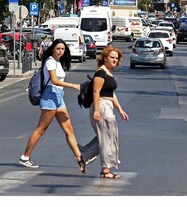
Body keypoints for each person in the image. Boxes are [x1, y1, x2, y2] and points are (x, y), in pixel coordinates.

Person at [19, 38, 86, 173]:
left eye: (63, 49)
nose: (61, 51)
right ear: (53, 49)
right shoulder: (50, 61)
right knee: (41, 129)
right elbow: (54, 81)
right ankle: (25, 157)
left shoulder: (57, 62)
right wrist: (74, 85)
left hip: (58, 97)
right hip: (50, 96)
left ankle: (80, 158)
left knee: (69, 129)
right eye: (58, 49)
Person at [78, 46, 129, 179]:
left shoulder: (108, 73)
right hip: (101, 106)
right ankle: (105, 170)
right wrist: (96, 110)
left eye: (116, 58)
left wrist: (120, 109)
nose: (114, 60)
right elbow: (96, 92)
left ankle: (83, 155)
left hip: (107, 105)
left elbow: (111, 94)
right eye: (112, 57)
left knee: (107, 137)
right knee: (106, 139)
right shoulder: (101, 73)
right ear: (105, 57)